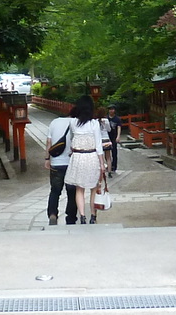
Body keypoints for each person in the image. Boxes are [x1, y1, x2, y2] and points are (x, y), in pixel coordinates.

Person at [62, 96, 108, 225]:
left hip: (77, 158)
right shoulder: (94, 124)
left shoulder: (73, 123)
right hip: (92, 157)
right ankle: (93, 216)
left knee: (79, 189)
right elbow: (98, 145)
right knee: (94, 187)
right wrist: (102, 163)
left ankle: (82, 216)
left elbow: (71, 140)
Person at [45, 110, 78, 226]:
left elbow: (49, 142)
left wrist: (47, 159)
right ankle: (71, 216)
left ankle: (52, 214)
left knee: (55, 191)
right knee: (72, 192)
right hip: (71, 163)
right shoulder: (76, 122)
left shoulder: (54, 122)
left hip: (56, 162)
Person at [106, 108, 122, 176]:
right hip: (107, 137)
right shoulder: (106, 118)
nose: (111, 111)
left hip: (114, 137)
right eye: (110, 109)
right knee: (106, 152)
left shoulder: (117, 119)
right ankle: (109, 165)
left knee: (114, 152)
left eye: (112, 109)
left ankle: (114, 166)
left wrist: (118, 136)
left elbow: (119, 127)